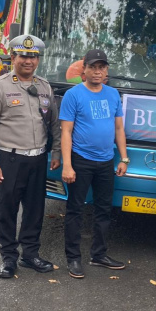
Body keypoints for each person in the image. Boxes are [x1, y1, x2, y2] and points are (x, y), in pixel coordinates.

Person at [0, 34, 62, 278]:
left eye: (33, 56)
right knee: (6, 209)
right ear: (13, 57)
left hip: (37, 159)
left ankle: (30, 254)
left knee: (35, 209)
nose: (28, 61)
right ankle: (8, 258)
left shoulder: (44, 86)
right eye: (23, 56)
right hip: (10, 159)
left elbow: (54, 123)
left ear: (37, 60)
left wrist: (57, 150)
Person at [60, 49, 128, 279]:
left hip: (106, 161)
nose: (97, 71)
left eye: (102, 67)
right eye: (93, 67)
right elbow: (66, 132)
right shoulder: (73, 95)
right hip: (81, 160)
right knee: (75, 209)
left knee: (103, 210)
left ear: (106, 71)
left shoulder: (112, 94)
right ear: (84, 70)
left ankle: (99, 254)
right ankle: (73, 258)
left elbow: (119, 128)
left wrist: (124, 158)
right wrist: (67, 165)